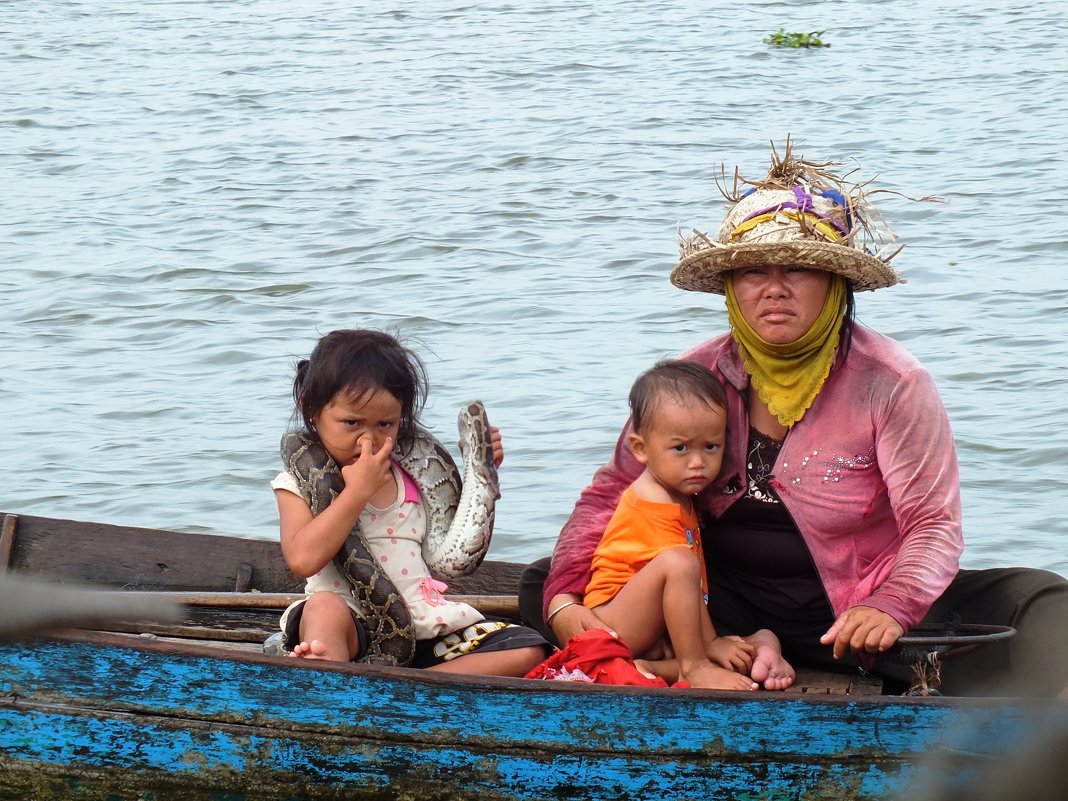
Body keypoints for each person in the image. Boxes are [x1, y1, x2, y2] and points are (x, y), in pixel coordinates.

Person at [520, 140, 1068, 696]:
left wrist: (891, 606)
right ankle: (734, 647)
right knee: (541, 578)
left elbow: (933, 525)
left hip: (851, 612)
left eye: (798, 270)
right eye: (754, 271)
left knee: (1041, 599)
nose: (774, 289)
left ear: (836, 286)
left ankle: (756, 652)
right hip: (716, 599)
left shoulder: (893, 383)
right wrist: (564, 599)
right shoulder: (697, 374)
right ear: (731, 289)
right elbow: (612, 494)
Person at [274, 328, 549, 674]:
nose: (368, 438)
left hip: (422, 623)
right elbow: (303, 559)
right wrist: (356, 492)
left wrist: (478, 466)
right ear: (311, 411)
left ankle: (405, 685)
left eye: (385, 423)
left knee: (530, 649)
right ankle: (340, 674)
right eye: (351, 422)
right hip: (350, 622)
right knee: (323, 610)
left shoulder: (410, 479)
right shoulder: (295, 483)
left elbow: (448, 549)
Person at [579, 359, 794, 691]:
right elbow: (682, 572)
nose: (698, 463)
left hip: (644, 620)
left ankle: (653, 666)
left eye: (711, 447)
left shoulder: (677, 490)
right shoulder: (655, 502)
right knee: (679, 561)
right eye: (680, 448)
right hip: (613, 622)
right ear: (640, 448)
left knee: (761, 635)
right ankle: (694, 668)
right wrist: (708, 646)